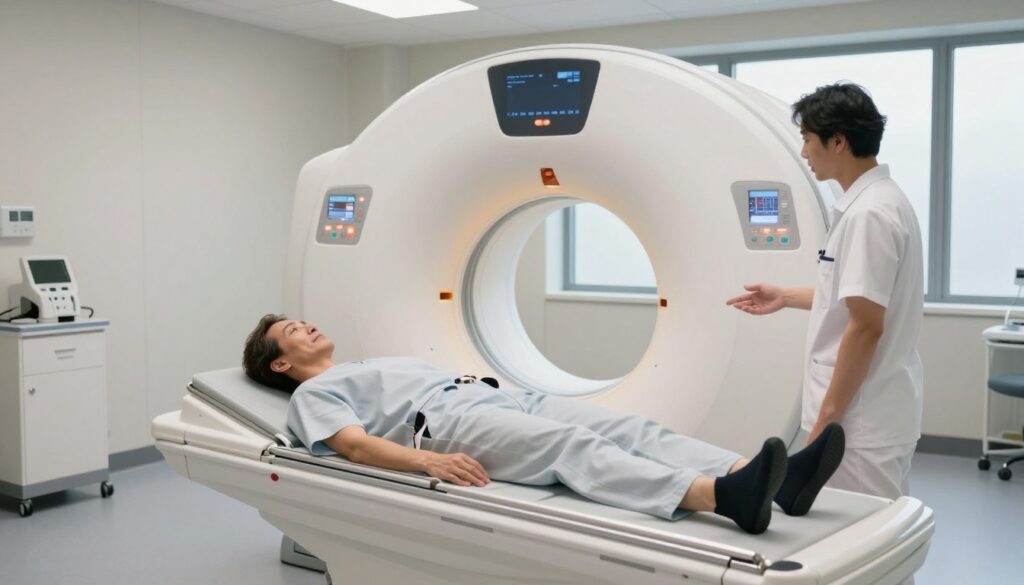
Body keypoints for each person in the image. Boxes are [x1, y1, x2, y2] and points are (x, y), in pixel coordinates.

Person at [242, 314, 846, 535]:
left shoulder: (370, 362)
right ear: (281, 363)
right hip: (447, 427)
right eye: (292, 331)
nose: (308, 326)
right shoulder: (314, 394)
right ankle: (722, 497)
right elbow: (351, 444)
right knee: (571, 446)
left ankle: (774, 480)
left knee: (628, 426)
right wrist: (428, 462)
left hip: (498, 398)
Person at [727, 83, 924, 502]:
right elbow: (853, 299)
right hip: (870, 416)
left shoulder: (869, 214)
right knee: (868, 540)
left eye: (808, 140)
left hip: (858, 426)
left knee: (865, 543)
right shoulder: (876, 202)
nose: (804, 153)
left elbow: (866, 326)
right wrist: (784, 296)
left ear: (838, 141)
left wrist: (825, 426)